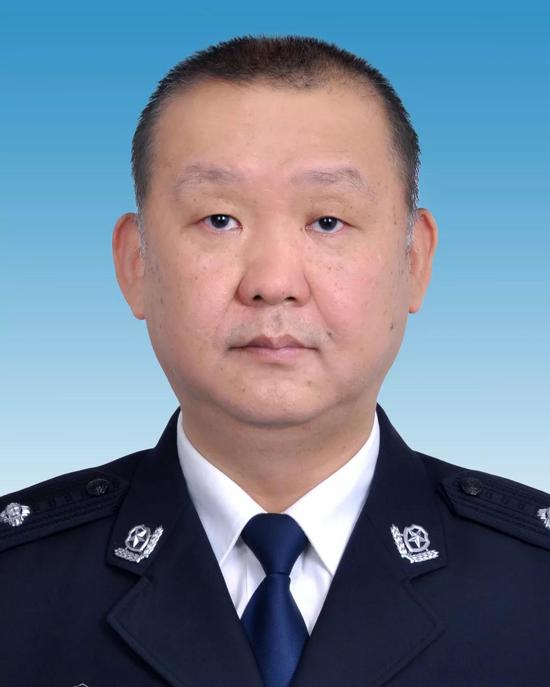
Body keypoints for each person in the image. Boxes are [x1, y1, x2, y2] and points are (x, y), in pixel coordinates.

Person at [1, 34, 549, 687]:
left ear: (414, 261)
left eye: (327, 221)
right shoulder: (18, 585)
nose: (272, 282)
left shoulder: (533, 583)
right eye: (219, 219)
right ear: (136, 263)